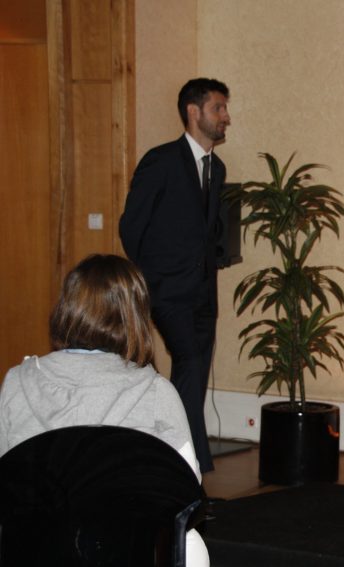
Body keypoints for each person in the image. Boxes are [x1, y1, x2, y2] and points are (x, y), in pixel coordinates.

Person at [0, 254, 209, 566]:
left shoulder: (16, 382)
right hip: (125, 550)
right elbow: (186, 487)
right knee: (190, 542)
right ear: (136, 317)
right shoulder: (156, 392)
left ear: (66, 309)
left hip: (35, 547)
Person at [119, 78, 231, 473]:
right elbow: (131, 228)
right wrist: (152, 280)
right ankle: (192, 462)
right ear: (193, 111)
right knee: (188, 362)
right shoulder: (161, 161)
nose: (226, 117)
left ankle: (175, 458)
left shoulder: (217, 168)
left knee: (194, 374)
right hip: (167, 291)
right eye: (218, 108)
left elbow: (207, 231)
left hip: (204, 294)